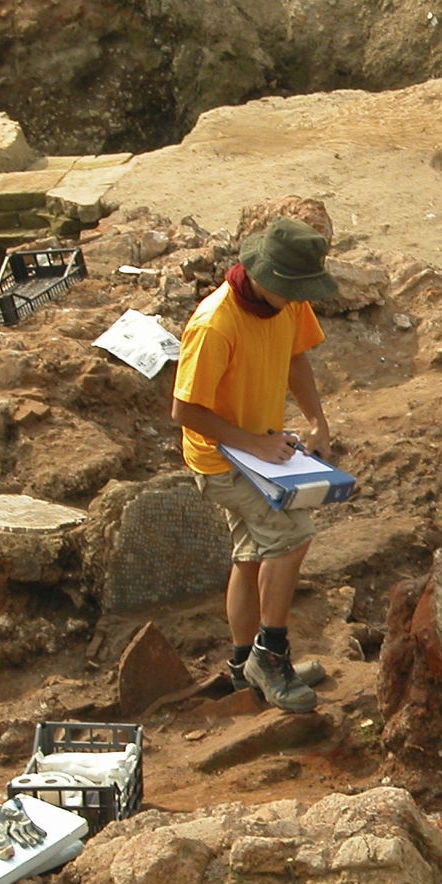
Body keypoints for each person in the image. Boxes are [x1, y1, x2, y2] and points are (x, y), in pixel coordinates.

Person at [170, 216, 337, 713]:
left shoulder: (287, 300)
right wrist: (253, 445)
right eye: (295, 289)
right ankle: (271, 654)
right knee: (293, 535)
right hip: (220, 460)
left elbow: (295, 357)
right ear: (265, 278)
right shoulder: (214, 324)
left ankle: (244, 666)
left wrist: (317, 420)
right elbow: (185, 410)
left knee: (249, 556)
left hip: (256, 450)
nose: (301, 297)